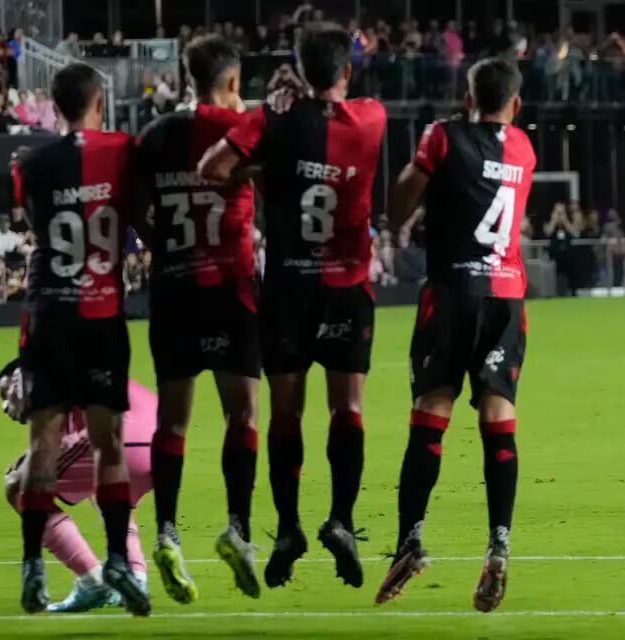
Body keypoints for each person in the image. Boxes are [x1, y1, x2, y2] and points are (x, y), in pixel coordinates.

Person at [199, 27, 386, 590]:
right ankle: (344, 521)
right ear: (346, 73)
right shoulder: (373, 117)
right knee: (346, 409)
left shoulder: (269, 123)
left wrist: (268, 168)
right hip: (347, 287)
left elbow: (213, 168)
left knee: (284, 414)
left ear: (298, 72)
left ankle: (286, 528)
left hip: (286, 289)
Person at [374, 56, 535, 613]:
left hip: (450, 296)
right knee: (498, 417)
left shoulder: (442, 137)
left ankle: (410, 539)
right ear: (515, 105)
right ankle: (499, 542)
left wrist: (426, 176)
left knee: (431, 411)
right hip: (507, 297)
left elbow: (397, 208)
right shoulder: (525, 150)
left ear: (468, 97)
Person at [10, 62, 150, 615]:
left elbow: (36, 221)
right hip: (100, 312)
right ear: (99, 102)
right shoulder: (121, 151)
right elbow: (135, 211)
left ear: (54, 105)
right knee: (107, 441)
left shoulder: (31, 165)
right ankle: (117, 556)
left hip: (47, 311)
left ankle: (32, 565)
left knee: (41, 445)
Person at [135, 35, 261, 604]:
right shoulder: (243, 130)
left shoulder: (157, 135)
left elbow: (133, 205)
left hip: (173, 287)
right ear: (232, 82)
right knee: (243, 414)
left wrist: (158, 240)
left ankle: (166, 532)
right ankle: (237, 528)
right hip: (230, 289)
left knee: (174, 421)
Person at [0, 362, 155, 613]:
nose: (5, 406)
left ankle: (93, 581)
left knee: (18, 486)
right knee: (105, 490)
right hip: (160, 447)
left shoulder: (49, 380)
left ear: (21, 380)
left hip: (123, 438)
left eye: (6, 394)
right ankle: (135, 577)